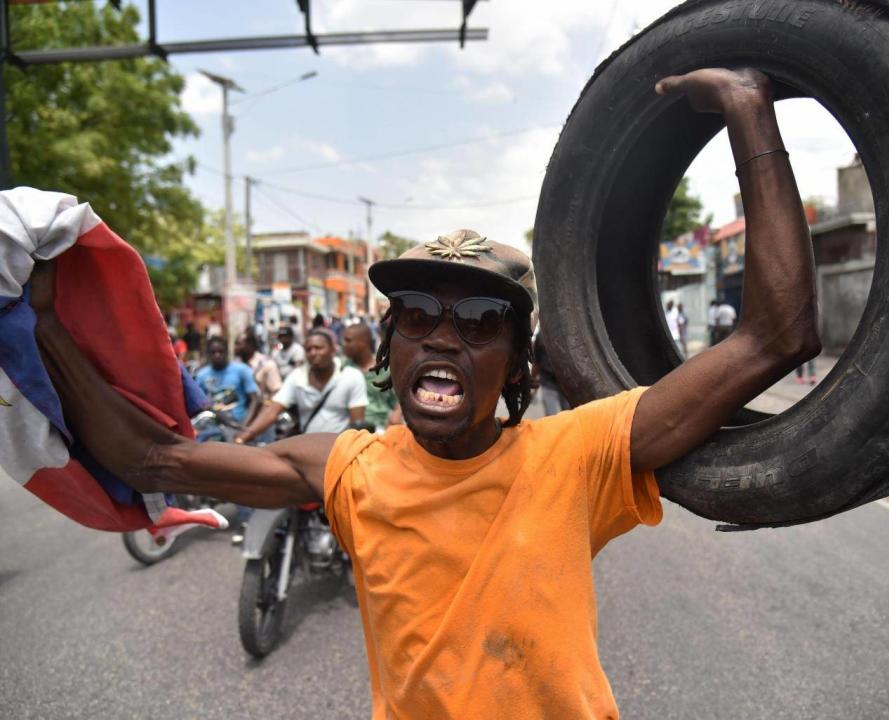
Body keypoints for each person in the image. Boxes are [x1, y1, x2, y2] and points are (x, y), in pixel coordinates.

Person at [31, 68, 820, 718]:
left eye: (480, 320)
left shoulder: (578, 454)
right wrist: (41, 323)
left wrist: (747, 110)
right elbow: (151, 459)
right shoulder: (347, 470)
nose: (443, 337)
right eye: (416, 316)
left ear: (518, 367)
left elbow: (773, 336)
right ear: (389, 346)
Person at [237, 327, 368, 441]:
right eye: (309, 349)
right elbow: (273, 411)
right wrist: (243, 438)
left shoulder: (351, 376)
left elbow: (357, 424)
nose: (313, 353)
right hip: (308, 450)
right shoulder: (297, 377)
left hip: (341, 450)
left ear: (333, 349)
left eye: (318, 348)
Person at [341, 322, 401, 431]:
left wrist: (397, 414)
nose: (343, 344)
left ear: (363, 342)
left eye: (348, 340)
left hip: (382, 428)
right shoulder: (344, 368)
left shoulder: (385, 369)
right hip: (351, 430)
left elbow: (399, 400)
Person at [194, 336, 259, 429]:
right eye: (213, 352)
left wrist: (245, 425)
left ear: (227, 352)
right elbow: (200, 403)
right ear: (208, 354)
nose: (217, 355)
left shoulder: (242, 370)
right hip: (214, 425)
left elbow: (254, 399)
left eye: (221, 351)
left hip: (239, 422)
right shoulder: (202, 375)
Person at [234, 328, 282, 440]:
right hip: (240, 418)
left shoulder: (266, 364)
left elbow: (276, 391)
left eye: (239, 344)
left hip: (261, 417)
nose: (237, 347)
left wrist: (265, 410)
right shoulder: (234, 365)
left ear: (250, 344)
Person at [531, 330, 570, 416]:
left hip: (568, 385)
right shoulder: (541, 335)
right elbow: (537, 361)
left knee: (568, 417)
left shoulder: (570, 332)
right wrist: (532, 380)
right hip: (548, 383)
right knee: (554, 418)